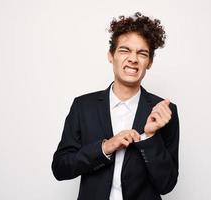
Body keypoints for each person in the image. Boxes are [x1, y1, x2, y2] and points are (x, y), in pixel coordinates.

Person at [51, 12, 180, 200]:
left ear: (149, 62)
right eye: (124, 50)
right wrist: (106, 147)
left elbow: (167, 184)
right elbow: (61, 168)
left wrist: (149, 137)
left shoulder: (165, 112)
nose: (133, 59)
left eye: (142, 53)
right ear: (111, 56)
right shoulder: (83, 106)